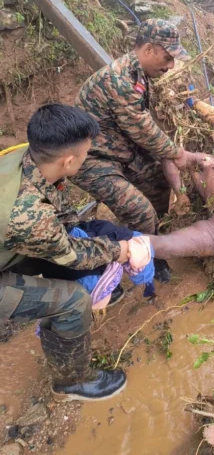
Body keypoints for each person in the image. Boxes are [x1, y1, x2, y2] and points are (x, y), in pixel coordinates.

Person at [0, 105, 150, 401]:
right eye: (84, 155)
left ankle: (89, 294)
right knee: (72, 301)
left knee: (84, 237)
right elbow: (69, 254)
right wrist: (119, 251)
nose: (85, 160)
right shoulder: (26, 212)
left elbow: (62, 222)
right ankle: (73, 380)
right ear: (69, 161)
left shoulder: (22, 156)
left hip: (12, 239)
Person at [72, 18, 196, 283]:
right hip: (90, 160)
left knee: (158, 182)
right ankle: (147, 259)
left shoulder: (139, 73)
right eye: (167, 57)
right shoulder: (120, 80)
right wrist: (177, 153)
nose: (170, 65)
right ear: (149, 49)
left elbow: (143, 124)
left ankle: (156, 238)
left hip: (119, 149)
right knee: (139, 210)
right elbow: (142, 129)